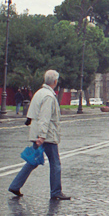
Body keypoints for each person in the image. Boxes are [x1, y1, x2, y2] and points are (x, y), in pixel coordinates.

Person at [8, 70, 70, 200]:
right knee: (55, 163)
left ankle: (15, 185)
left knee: (32, 161)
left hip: (38, 133)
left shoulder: (39, 93)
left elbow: (31, 114)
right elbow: (45, 117)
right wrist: (42, 136)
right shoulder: (49, 96)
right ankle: (56, 192)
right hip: (47, 135)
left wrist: (37, 133)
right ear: (55, 82)